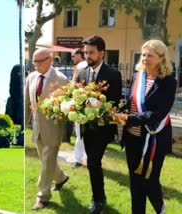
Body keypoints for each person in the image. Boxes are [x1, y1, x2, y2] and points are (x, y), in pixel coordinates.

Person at [121, 39, 177, 214]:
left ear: (161, 58)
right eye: (143, 54)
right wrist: (117, 111)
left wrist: (128, 119)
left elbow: (157, 113)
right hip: (132, 138)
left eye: (150, 55)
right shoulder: (139, 76)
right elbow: (131, 102)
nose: (145, 58)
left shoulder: (169, 82)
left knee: (149, 181)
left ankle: (160, 207)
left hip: (154, 139)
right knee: (135, 183)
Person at [74, 35, 122, 214]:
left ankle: (98, 199)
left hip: (103, 128)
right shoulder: (83, 72)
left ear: (102, 52)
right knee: (92, 162)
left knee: (94, 161)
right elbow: (78, 96)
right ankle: (98, 197)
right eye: (86, 52)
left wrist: (97, 106)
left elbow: (115, 102)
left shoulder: (113, 74)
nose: (87, 56)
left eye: (91, 52)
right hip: (87, 127)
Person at [25, 48, 69, 210]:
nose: (36, 65)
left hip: (53, 128)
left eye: (39, 61)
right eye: (34, 61)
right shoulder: (31, 77)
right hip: (37, 128)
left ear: (49, 60)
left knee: (47, 161)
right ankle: (61, 177)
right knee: (46, 161)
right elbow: (27, 104)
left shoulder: (62, 80)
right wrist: (23, 126)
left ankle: (42, 196)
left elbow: (67, 107)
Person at [71, 48, 88, 168]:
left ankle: (86, 158)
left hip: (89, 106)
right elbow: (73, 86)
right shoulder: (78, 70)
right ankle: (78, 159)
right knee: (79, 135)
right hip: (79, 106)